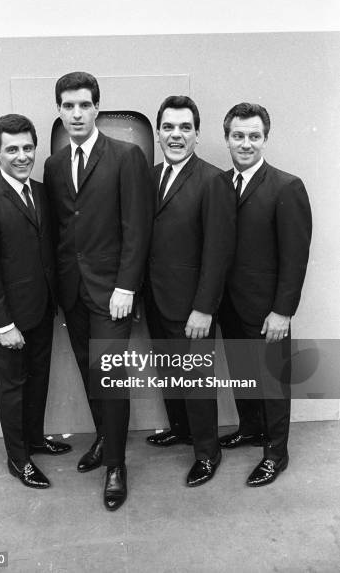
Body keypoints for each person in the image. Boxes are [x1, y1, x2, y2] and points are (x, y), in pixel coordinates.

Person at [43, 71, 152, 510]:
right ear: (59, 110)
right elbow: (61, 231)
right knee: (93, 375)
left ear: (96, 109)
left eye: (83, 105)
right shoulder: (53, 165)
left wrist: (127, 286)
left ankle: (115, 467)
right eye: (67, 106)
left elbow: (137, 228)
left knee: (110, 378)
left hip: (113, 295)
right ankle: (105, 441)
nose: (75, 113)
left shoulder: (126, 156)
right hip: (73, 292)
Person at [0, 114, 71, 490]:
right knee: (13, 387)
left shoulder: (41, 192)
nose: (22, 155)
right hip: (10, 319)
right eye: (12, 149)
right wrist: (3, 325)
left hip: (41, 309)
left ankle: (36, 440)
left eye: (28, 147)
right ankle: (18, 459)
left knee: (39, 379)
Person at [218, 102, 312, 486]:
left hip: (268, 310)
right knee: (243, 374)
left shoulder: (286, 186)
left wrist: (282, 311)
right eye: (238, 136)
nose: (246, 143)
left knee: (272, 383)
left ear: (265, 139)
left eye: (254, 136)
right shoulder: (219, 184)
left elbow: (295, 256)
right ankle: (251, 429)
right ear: (227, 139)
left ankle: (276, 452)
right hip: (230, 305)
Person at [144, 95, 236, 486]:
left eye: (184, 128)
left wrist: (204, 308)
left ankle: (206, 452)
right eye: (168, 127)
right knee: (169, 374)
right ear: (159, 133)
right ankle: (180, 430)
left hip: (192, 307)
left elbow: (218, 253)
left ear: (197, 135)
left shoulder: (213, 180)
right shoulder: (148, 176)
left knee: (196, 382)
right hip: (156, 298)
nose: (175, 135)